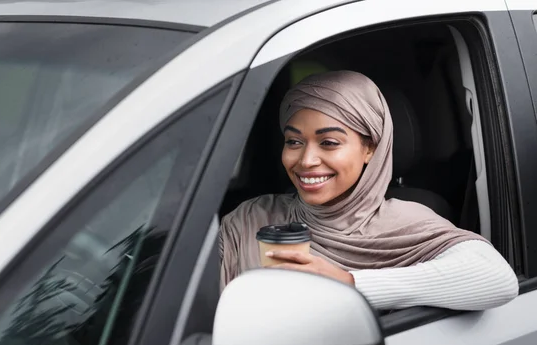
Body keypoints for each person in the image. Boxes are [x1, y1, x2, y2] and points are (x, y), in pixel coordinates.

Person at [219, 70, 518, 311]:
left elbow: (496, 279)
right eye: (294, 142)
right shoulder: (250, 217)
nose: (306, 161)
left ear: (369, 149)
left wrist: (348, 283)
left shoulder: (408, 220)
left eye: (329, 143)